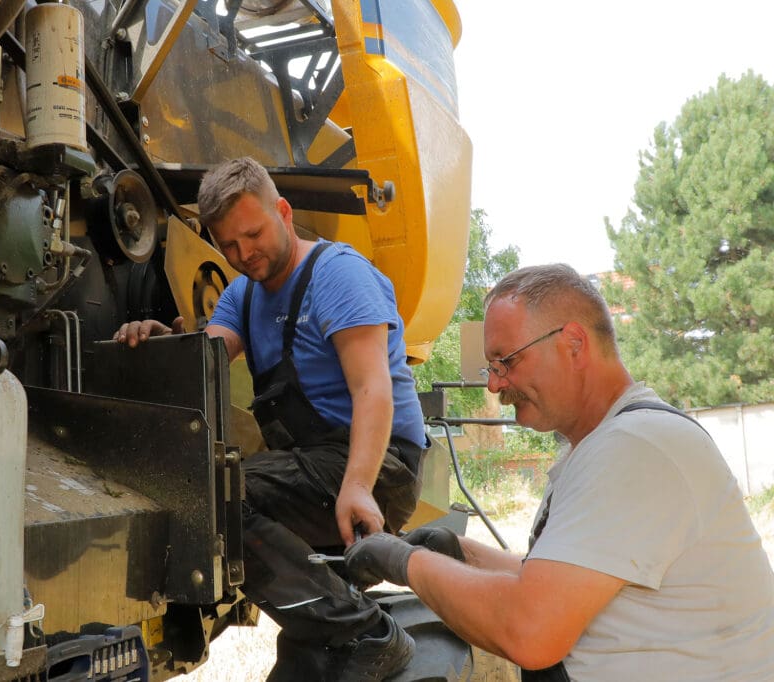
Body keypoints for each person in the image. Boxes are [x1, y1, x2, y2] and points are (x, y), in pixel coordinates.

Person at [346, 263, 774, 680]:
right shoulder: (607, 444)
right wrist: (459, 552)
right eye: (491, 368)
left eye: (506, 361)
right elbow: (559, 583)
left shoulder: (636, 447)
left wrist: (407, 563)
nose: (495, 385)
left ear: (573, 343)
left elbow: (530, 632)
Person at [114, 157, 427, 680]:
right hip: (313, 464)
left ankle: (362, 632)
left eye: (253, 235)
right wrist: (161, 341)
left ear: (282, 211)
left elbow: (373, 391)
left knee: (219, 490)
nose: (243, 254)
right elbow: (207, 359)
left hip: (379, 466)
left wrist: (358, 487)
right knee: (205, 485)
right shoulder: (242, 295)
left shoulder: (337, 274)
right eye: (229, 246)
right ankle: (328, 634)